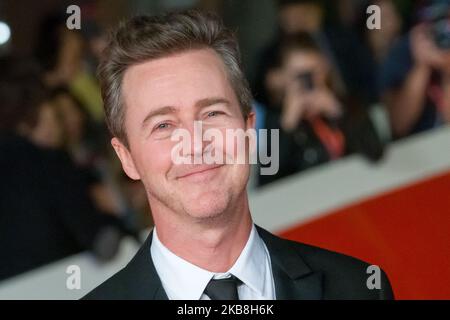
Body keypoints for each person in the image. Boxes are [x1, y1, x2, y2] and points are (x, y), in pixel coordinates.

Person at [84, 10, 394, 300]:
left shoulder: (360, 289)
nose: (195, 143)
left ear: (249, 129)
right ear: (126, 157)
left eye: (212, 112)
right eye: (163, 125)